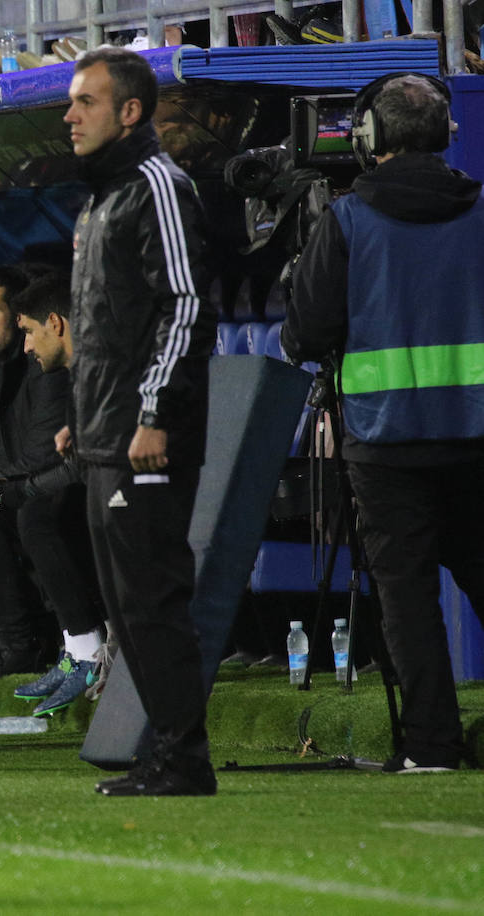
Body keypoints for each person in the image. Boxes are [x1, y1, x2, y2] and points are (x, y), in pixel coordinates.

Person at [282, 73, 484, 774]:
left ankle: (432, 748)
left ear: (368, 139)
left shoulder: (347, 220)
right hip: (477, 435)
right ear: (446, 132)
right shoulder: (481, 211)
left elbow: (304, 334)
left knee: (408, 601)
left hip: (385, 440)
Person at [64, 48, 217, 795]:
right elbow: (105, 329)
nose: (69, 115)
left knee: (153, 601)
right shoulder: (101, 198)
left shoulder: (158, 185)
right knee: (129, 607)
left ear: (130, 111)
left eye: (85, 102)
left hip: (143, 439)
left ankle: (185, 758)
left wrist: (152, 411)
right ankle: (168, 754)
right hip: (104, 436)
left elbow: (183, 306)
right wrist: (80, 417)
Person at [0, 271, 107, 716]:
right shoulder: (5, 370)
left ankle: (89, 650)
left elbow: (58, 462)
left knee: (38, 513)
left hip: (136, 495)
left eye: (27, 331)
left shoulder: (86, 372)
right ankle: (67, 645)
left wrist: (1, 494)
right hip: (95, 487)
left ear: (56, 324)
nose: (25, 346)